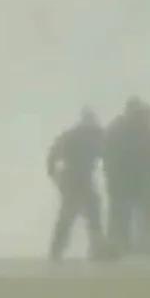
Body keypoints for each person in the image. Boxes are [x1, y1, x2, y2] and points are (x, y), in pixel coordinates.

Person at [46, 108, 105, 262]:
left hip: (74, 177)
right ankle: (92, 248)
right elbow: (53, 155)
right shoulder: (94, 135)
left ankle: (58, 250)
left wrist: (54, 174)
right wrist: (53, 173)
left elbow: (53, 155)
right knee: (82, 213)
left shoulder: (74, 135)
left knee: (75, 213)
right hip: (76, 177)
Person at [104, 98, 150, 255]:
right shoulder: (121, 129)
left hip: (130, 180)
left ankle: (125, 246)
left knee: (125, 214)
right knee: (121, 215)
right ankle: (119, 246)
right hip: (124, 180)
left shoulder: (125, 128)